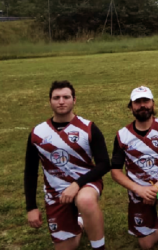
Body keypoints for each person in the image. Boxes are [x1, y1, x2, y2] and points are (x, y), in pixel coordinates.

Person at [24, 80, 108, 250]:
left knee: (85, 200)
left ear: (74, 100)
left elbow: (104, 164)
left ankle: (99, 247)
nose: (61, 101)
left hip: (86, 184)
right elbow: (30, 172)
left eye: (66, 97)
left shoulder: (88, 127)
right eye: (56, 98)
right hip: (56, 192)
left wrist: (77, 184)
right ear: (50, 101)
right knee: (66, 247)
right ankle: (79, 221)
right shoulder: (37, 133)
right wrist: (31, 207)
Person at [110, 86, 158, 250]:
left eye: (146, 101)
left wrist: (157, 187)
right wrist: (139, 189)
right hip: (139, 189)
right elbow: (115, 171)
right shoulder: (122, 135)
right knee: (146, 244)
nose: (142, 105)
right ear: (131, 107)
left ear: (153, 104)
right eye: (138, 102)